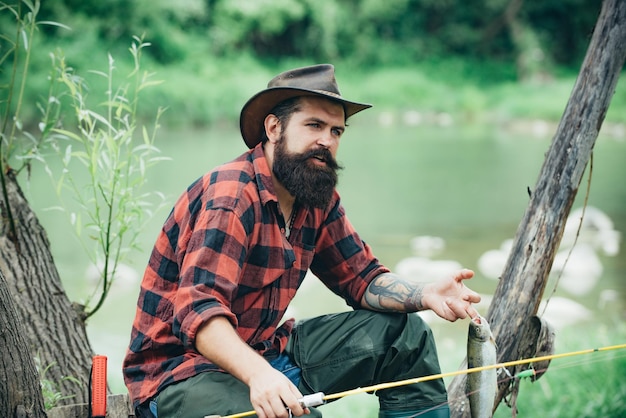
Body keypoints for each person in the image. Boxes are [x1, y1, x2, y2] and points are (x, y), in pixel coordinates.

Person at [123, 64, 481, 418]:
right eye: (314, 125)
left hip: (264, 351)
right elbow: (199, 314)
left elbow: (362, 278)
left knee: (406, 337)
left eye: (336, 131)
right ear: (274, 128)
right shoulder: (232, 196)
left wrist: (426, 294)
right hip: (179, 377)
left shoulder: (314, 195)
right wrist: (262, 376)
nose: (327, 140)